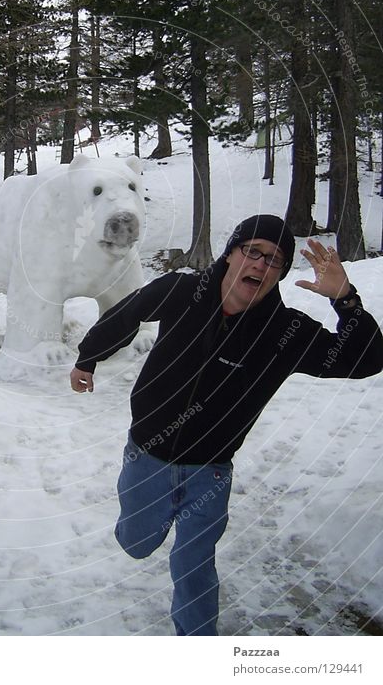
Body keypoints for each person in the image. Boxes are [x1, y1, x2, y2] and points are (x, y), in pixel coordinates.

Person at [69, 215, 383, 636]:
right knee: (137, 543)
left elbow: (364, 360)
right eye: (252, 251)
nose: (260, 265)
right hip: (147, 454)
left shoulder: (285, 333)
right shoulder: (184, 291)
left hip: (211, 471)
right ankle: (143, 525)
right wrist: (88, 358)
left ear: (281, 274)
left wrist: (345, 299)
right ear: (231, 254)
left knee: (194, 562)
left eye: (274, 260)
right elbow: (128, 314)